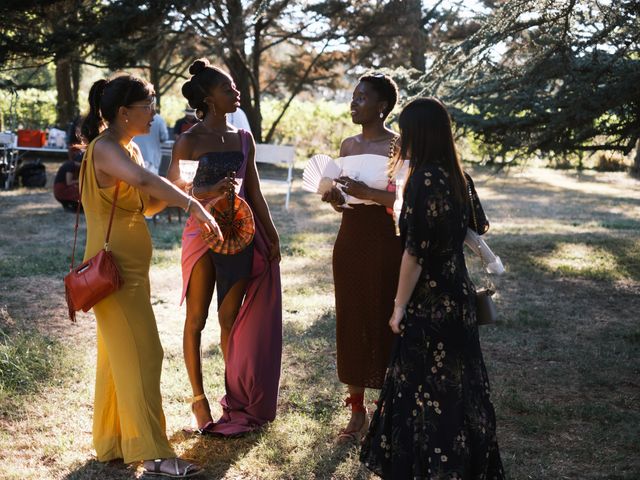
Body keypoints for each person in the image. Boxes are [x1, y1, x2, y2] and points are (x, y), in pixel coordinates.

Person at [80, 74, 222, 477]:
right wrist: (193, 206)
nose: (155, 112)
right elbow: (143, 182)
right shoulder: (105, 149)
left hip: (132, 273)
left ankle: (113, 443)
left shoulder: (128, 149)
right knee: (144, 355)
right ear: (125, 113)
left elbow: (144, 205)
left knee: (117, 359)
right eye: (149, 105)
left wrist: (186, 191)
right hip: (114, 274)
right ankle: (156, 456)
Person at [360, 97, 505, 479]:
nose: (400, 138)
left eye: (405, 131)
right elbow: (474, 229)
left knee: (421, 388)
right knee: (457, 384)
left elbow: (414, 254)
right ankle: (461, 464)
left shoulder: (423, 178)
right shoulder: (457, 175)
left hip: (428, 300)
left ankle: (425, 467)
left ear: (418, 134)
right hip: (457, 294)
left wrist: (398, 307)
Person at [168, 58, 282, 437]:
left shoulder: (243, 138)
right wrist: (211, 191)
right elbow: (178, 191)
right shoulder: (189, 140)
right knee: (196, 320)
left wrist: (272, 233)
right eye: (228, 88)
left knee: (229, 320)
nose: (236, 93)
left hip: (239, 237)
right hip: (200, 236)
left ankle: (235, 402)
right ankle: (198, 400)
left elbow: (256, 192)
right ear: (209, 99)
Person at [320, 73, 402, 443]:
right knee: (351, 319)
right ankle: (356, 412)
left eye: (362, 98)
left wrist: (368, 191)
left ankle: (390, 411)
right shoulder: (348, 144)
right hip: (350, 238)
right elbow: (345, 201)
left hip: (387, 240)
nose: (353, 103)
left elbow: (403, 201)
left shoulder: (399, 145)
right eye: (353, 97)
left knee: (385, 318)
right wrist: (337, 198)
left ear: (382, 106)